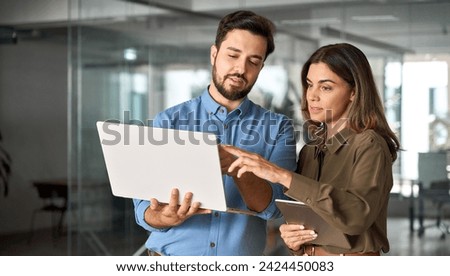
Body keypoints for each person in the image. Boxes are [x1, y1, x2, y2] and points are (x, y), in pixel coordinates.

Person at [132, 10, 297, 256]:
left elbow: (275, 208)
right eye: (232, 55)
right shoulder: (168, 121)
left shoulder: (278, 128)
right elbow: (143, 209)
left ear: (261, 67)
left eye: (253, 61)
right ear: (214, 54)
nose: (240, 69)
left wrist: (237, 165)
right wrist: (163, 217)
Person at [223, 43, 401, 256]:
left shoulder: (369, 144)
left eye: (326, 87)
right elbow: (309, 220)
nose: (312, 96)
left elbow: (356, 217)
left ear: (354, 92)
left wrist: (282, 175)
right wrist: (294, 240)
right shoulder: (310, 151)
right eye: (309, 85)